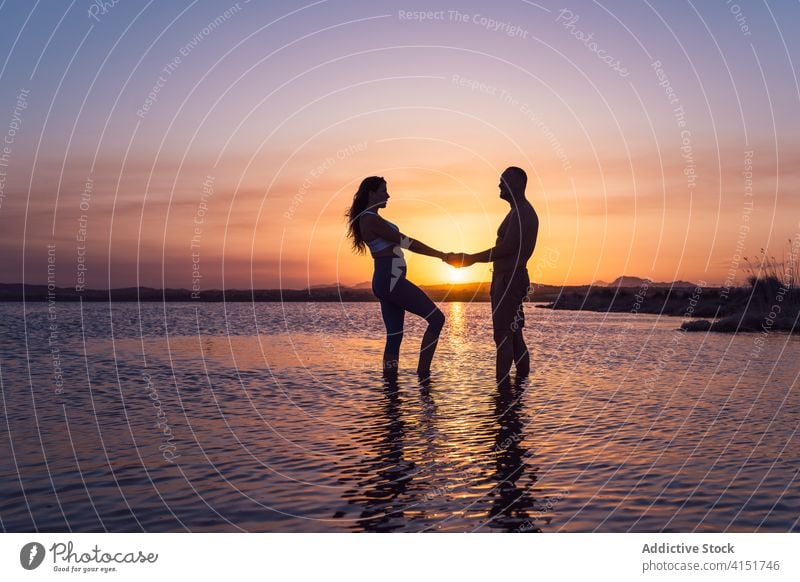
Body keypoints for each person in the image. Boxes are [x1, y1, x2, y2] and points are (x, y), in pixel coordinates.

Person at [346, 176, 447, 378]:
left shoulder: (371, 218)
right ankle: (423, 376)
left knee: (394, 336)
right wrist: (442, 255)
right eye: (384, 191)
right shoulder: (370, 219)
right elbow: (406, 242)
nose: (388, 195)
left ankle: (390, 382)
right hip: (390, 281)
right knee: (437, 319)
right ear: (371, 194)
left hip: (386, 281)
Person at [446, 167, 539, 382]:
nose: (499, 185)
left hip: (509, 280)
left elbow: (506, 248)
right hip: (506, 279)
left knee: (503, 335)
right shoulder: (517, 211)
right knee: (514, 335)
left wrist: (470, 258)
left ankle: (503, 390)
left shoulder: (523, 212)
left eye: (503, 181)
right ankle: (518, 392)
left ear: (516, 183)